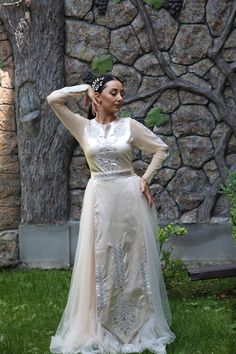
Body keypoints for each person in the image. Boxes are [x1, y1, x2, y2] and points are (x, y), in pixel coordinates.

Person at [47, 74, 176, 354]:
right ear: (99, 97)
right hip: (100, 199)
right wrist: (83, 88)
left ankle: (139, 325)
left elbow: (161, 149)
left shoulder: (130, 126)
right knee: (100, 257)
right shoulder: (82, 128)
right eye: (114, 93)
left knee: (132, 257)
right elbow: (53, 100)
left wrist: (145, 179)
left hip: (128, 198)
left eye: (122, 93)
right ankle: (99, 325)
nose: (120, 98)